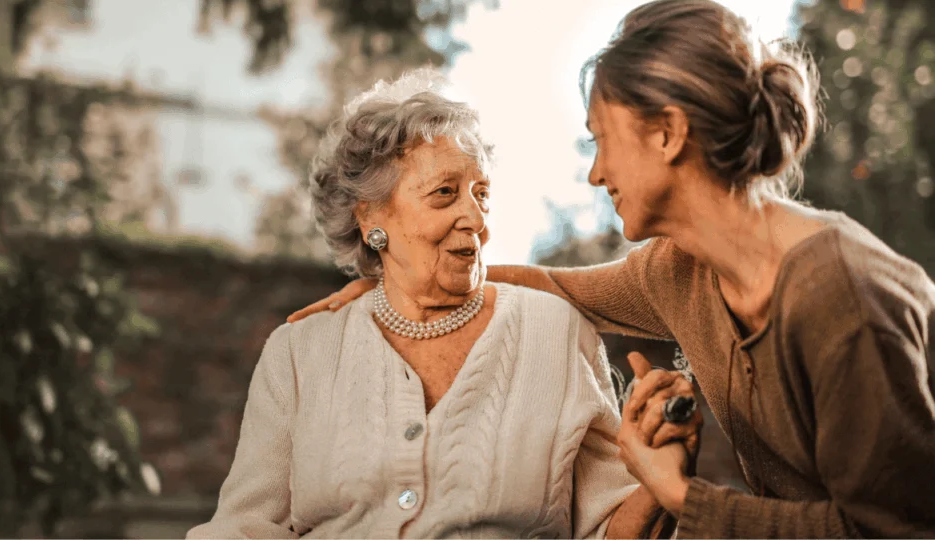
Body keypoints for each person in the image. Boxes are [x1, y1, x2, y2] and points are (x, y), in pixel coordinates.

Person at [287, 1, 935, 537]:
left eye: (601, 138)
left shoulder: (841, 296)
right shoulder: (679, 270)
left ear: (667, 133)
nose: (596, 172)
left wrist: (682, 496)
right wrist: (394, 277)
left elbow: (893, 530)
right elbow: (554, 285)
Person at [188, 68, 689, 539]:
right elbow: (244, 527)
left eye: (482, 193)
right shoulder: (299, 353)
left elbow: (607, 528)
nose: (475, 217)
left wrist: (657, 478)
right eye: (445, 194)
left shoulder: (555, 332)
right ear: (371, 219)